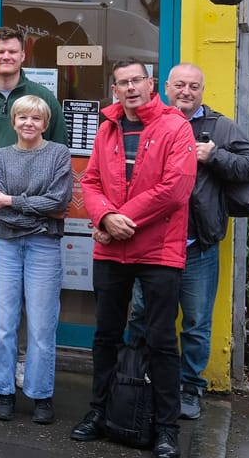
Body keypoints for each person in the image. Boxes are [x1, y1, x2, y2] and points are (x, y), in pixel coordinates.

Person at [70, 58, 196, 458]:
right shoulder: (107, 127)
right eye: (122, 82)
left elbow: (176, 188)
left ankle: (165, 427)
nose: (130, 88)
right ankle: (98, 413)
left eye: (137, 80)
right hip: (111, 246)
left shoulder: (176, 126)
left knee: (160, 342)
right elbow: (90, 181)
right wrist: (105, 216)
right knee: (105, 336)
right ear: (114, 88)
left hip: (159, 250)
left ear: (151, 83)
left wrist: (122, 218)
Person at [128, 63, 249, 420]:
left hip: (196, 245)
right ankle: (135, 378)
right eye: (180, 86)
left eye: (194, 86)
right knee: (142, 315)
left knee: (196, 324)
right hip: (152, 245)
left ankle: (190, 388)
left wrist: (214, 155)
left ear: (202, 91)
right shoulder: (148, 121)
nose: (186, 92)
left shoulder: (220, 127)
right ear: (166, 88)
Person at [0, 26, 68, 388]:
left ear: (24, 56)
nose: (6, 57)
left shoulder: (41, 98)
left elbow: (59, 152)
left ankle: (21, 359)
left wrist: (42, 203)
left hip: (33, 212)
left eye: (12, 52)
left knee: (26, 288)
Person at [0, 95, 72, 425]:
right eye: (23, 117)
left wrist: (12, 202)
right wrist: (37, 214)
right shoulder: (2, 156)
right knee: (4, 323)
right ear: (14, 121)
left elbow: (59, 200)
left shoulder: (58, 154)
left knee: (41, 325)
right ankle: (4, 391)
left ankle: (41, 395)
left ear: (45, 123)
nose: (28, 123)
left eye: (36, 119)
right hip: (7, 245)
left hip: (44, 247)